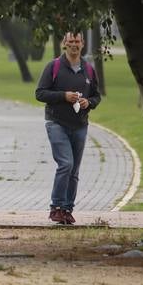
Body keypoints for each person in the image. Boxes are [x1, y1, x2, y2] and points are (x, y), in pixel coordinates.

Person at [35, 31, 102, 225]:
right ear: (64, 43)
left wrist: (88, 102)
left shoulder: (88, 70)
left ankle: (67, 209)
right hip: (56, 123)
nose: (74, 44)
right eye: (70, 41)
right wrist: (63, 96)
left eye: (77, 41)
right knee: (66, 164)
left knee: (74, 170)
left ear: (82, 44)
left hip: (80, 125)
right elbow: (40, 93)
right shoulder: (54, 67)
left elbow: (97, 96)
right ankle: (56, 207)